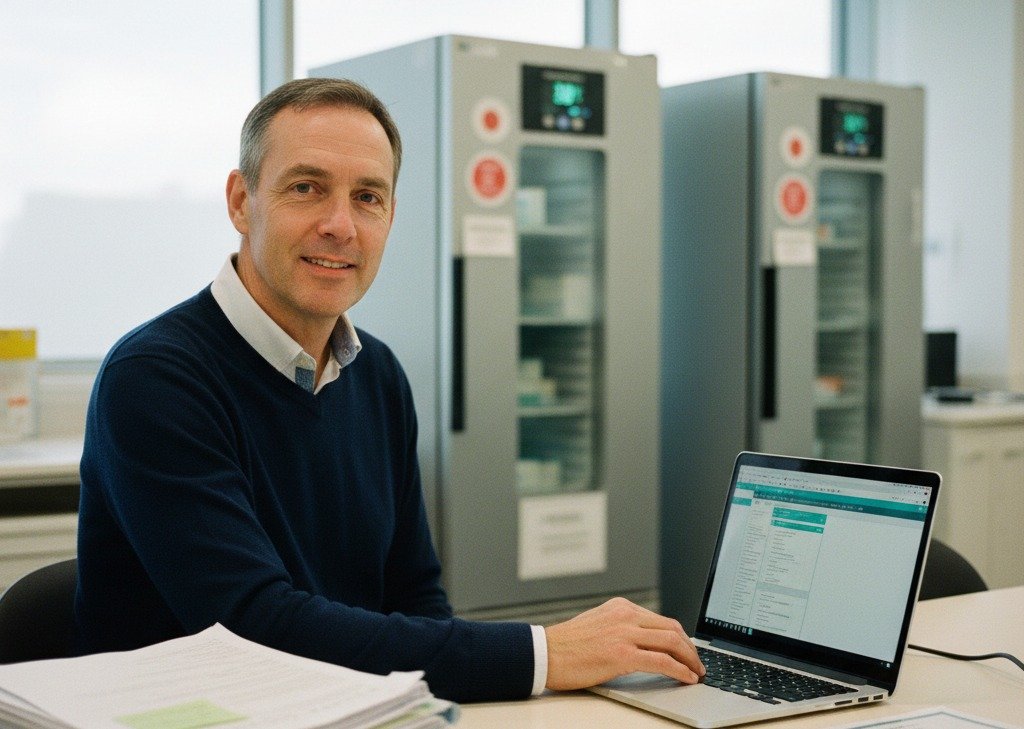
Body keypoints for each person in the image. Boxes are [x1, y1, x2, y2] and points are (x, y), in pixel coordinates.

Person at [75, 77, 704, 704]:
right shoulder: (156, 377)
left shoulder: (376, 374)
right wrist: (544, 653)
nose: (340, 225)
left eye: (368, 197)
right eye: (306, 188)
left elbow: (416, 599)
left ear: (391, 215)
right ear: (241, 201)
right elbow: (253, 625)